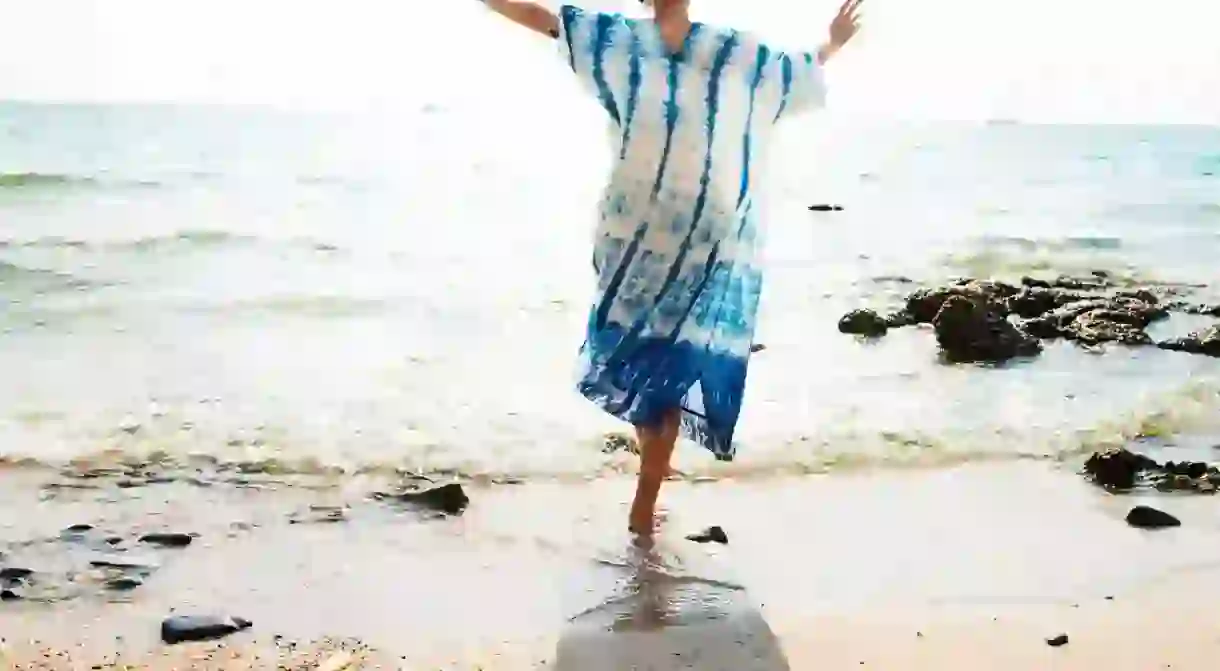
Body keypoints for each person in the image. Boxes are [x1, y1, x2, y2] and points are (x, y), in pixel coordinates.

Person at [478, 0, 863, 536]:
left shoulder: (734, 55)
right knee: (636, 363)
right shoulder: (619, 42)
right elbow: (544, 20)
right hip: (634, 239)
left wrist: (833, 43)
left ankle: (644, 503)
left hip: (706, 241)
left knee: (675, 368)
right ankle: (650, 479)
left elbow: (792, 73)